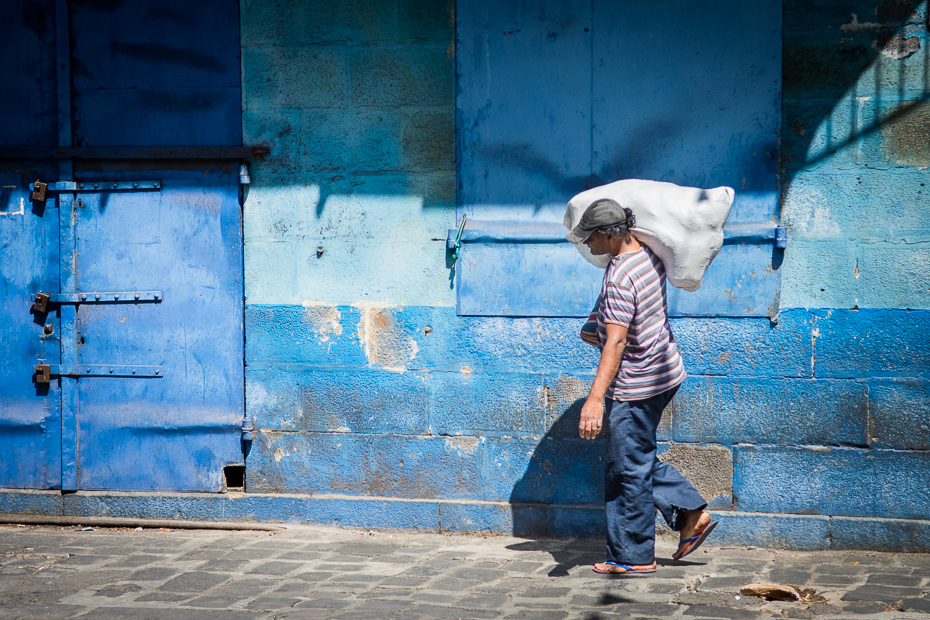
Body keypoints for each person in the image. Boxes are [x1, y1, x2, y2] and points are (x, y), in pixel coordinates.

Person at [566, 198, 717, 575]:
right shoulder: (645, 252)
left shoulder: (619, 276)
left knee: (626, 470)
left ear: (609, 234)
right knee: (635, 457)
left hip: (637, 384)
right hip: (666, 371)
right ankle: (688, 512)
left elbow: (615, 343)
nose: (586, 244)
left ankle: (633, 557)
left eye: (590, 237)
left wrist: (595, 399)